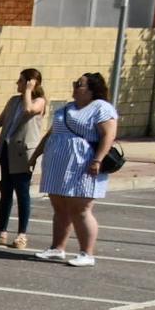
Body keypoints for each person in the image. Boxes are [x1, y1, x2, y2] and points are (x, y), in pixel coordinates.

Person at [35, 71, 118, 268]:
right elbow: (51, 133)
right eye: (75, 82)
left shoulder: (101, 108)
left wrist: (97, 160)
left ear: (92, 90)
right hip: (58, 165)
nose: (75, 86)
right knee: (60, 207)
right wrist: (35, 155)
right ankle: (57, 248)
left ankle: (86, 253)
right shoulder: (68, 108)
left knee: (80, 208)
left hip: (83, 165)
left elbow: (108, 135)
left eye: (79, 84)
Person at [0, 68, 48, 249]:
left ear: (31, 83)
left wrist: (28, 90)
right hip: (5, 150)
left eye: (21, 81)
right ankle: (1, 231)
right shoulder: (13, 101)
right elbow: (0, 122)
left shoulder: (39, 101)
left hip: (22, 153)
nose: (17, 84)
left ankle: (21, 235)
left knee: (22, 193)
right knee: (5, 192)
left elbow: (28, 110)